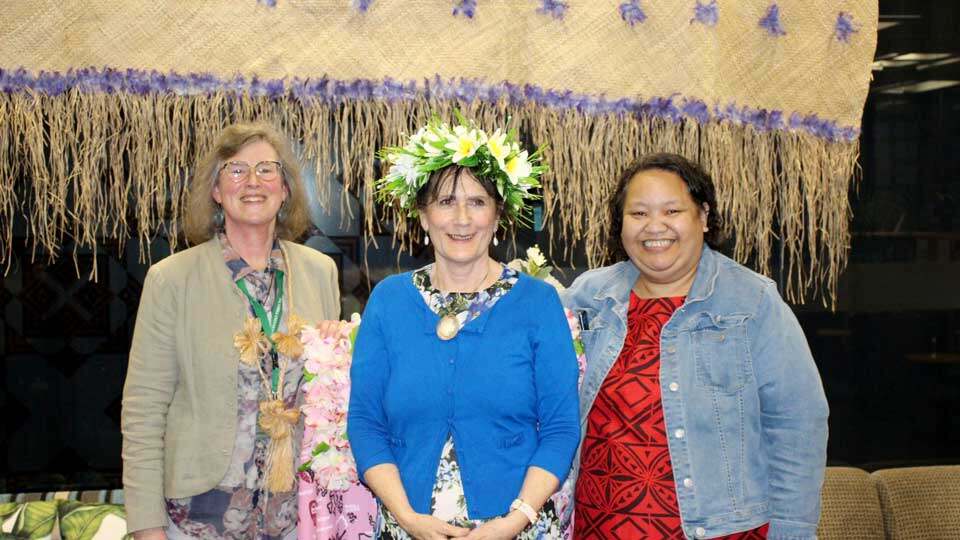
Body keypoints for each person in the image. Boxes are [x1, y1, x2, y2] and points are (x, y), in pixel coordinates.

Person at [563, 153, 829, 540]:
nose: (655, 226)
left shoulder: (752, 301)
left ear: (703, 216)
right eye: (638, 213)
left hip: (719, 531)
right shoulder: (589, 297)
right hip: (598, 527)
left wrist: (793, 531)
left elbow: (797, 424)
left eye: (672, 210)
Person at [348, 118, 580, 539]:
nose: (461, 218)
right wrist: (406, 517)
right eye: (445, 201)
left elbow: (560, 427)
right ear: (422, 215)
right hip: (409, 525)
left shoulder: (537, 303)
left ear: (498, 215)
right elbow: (366, 422)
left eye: (477, 202)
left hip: (515, 527)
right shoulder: (389, 301)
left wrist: (513, 522)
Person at [121, 122, 341, 539]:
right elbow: (143, 412)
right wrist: (146, 526)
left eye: (266, 169)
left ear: (285, 189)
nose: (253, 181)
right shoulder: (172, 279)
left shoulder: (319, 272)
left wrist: (341, 355)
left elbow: (330, 398)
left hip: (295, 514)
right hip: (199, 514)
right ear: (216, 191)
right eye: (236, 170)